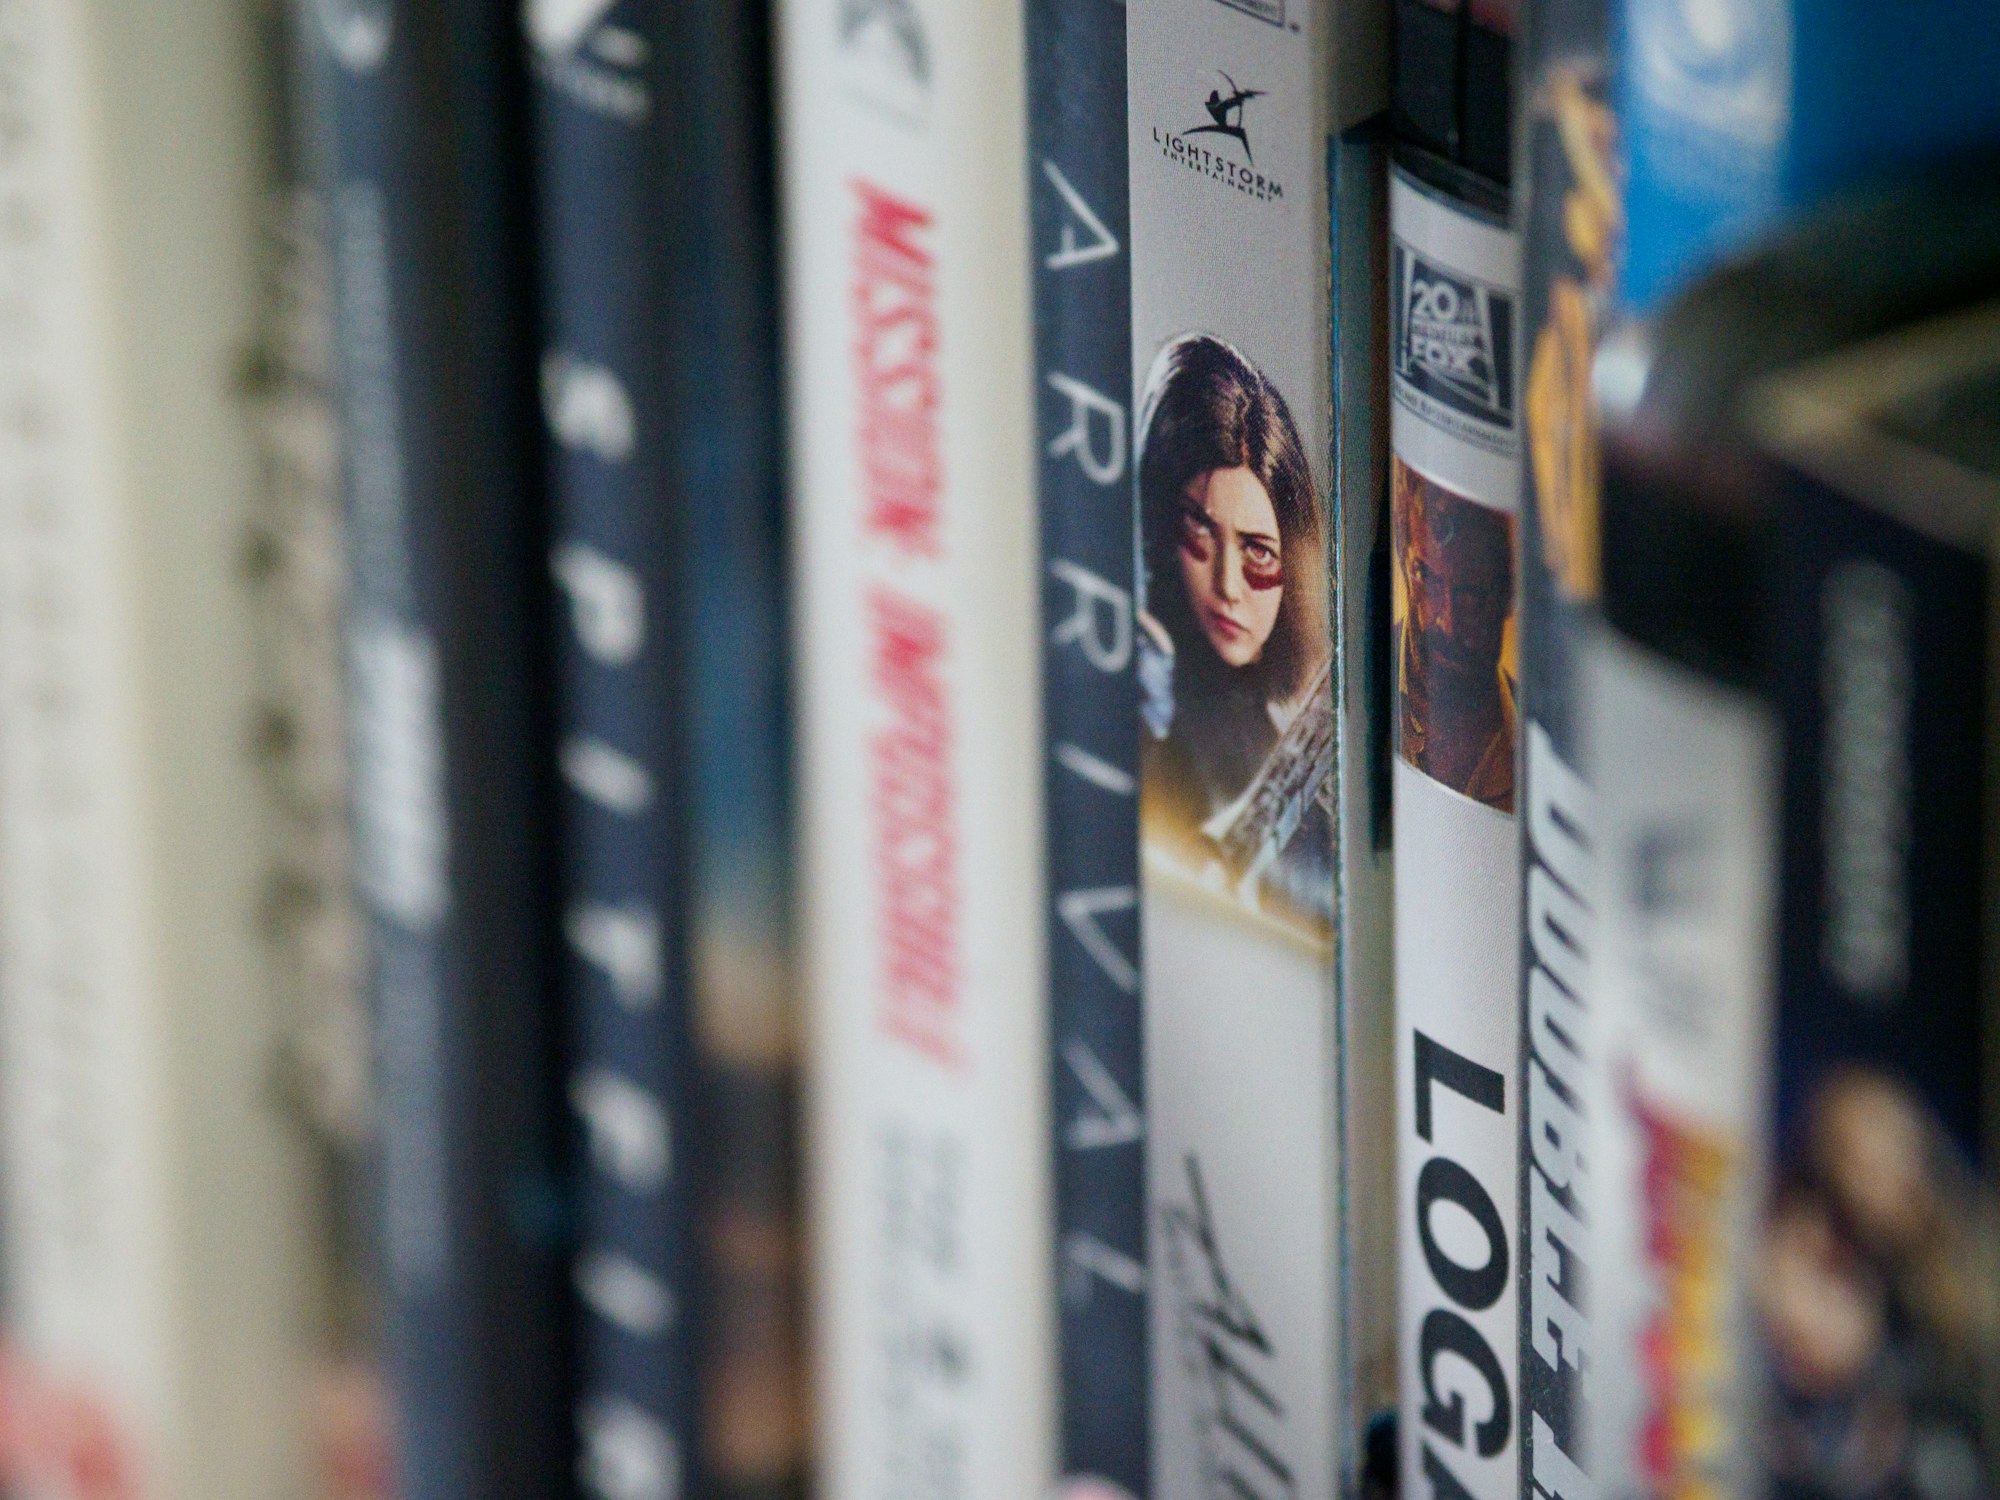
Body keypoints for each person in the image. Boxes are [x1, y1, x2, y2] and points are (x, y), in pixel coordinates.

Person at [1135, 333, 1331, 916]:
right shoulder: (1137, 709)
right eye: (1199, 529)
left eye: (1259, 554)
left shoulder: (1313, 836)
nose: (1227, 585)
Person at [1393, 459, 1515, 811]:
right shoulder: (1362, 673)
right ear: (1404, 561)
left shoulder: (1533, 733)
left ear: (1506, 598)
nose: (1446, 623)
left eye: (1471, 596)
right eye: (1426, 577)